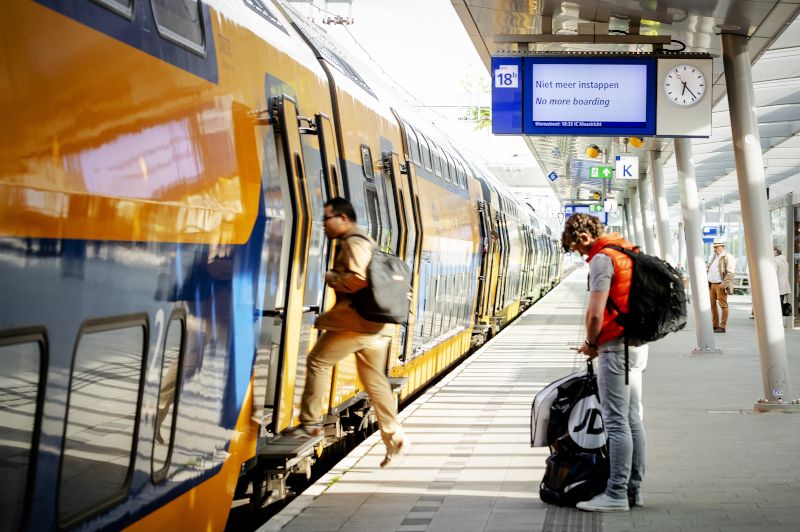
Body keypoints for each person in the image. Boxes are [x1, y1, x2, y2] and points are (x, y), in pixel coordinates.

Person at [283, 197, 407, 468]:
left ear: (343, 219)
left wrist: (332, 278)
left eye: (326, 218)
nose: (323, 225)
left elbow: (359, 278)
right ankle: (394, 438)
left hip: (357, 324)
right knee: (375, 382)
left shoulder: (353, 242)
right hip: (375, 326)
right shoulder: (366, 239)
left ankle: (311, 424)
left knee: (318, 361)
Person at [562, 213, 647, 513]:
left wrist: (591, 344)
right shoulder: (627, 250)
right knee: (633, 418)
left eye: (579, 250)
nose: (582, 256)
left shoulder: (602, 259)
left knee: (615, 421)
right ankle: (632, 491)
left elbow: (595, 314)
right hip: (637, 346)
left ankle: (616, 494)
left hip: (615, 347)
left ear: (584, 238)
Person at [706, 239, 735, 333]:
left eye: (716, 247)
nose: (714, 249)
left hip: (720, 284)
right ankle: (715, 325)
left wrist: (724, 284)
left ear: (722, 247)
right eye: (714, 247)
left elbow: (730, 272)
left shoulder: (727, 257)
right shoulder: (715, 256)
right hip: (712, 284)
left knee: (723, 305)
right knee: (712, 305)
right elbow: (712, 267)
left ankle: (722, 326)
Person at [775, 244, 791, 309]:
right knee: (780, 302)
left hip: (777, 284)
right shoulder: (785, 260)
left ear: (775, 251)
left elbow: (774, 272)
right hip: (784, 284)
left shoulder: (775, 260)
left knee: (776, 303)